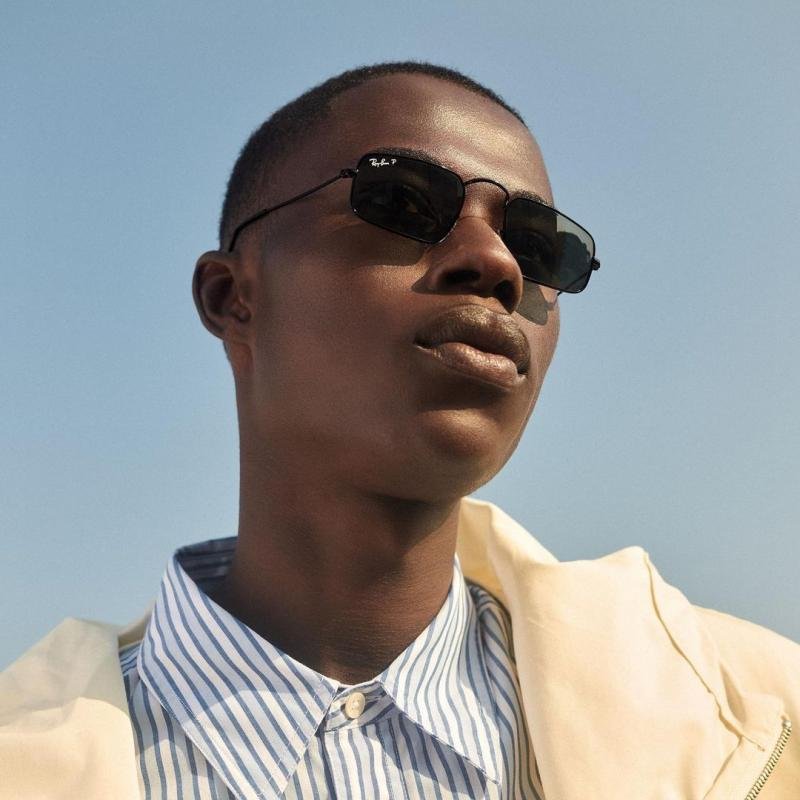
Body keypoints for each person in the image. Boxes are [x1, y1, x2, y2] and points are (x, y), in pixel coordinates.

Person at [1, 61, 797, 800]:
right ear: (231, 297)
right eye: (403, 204)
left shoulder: (761, 718)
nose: (496, 263)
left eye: (539, 248)